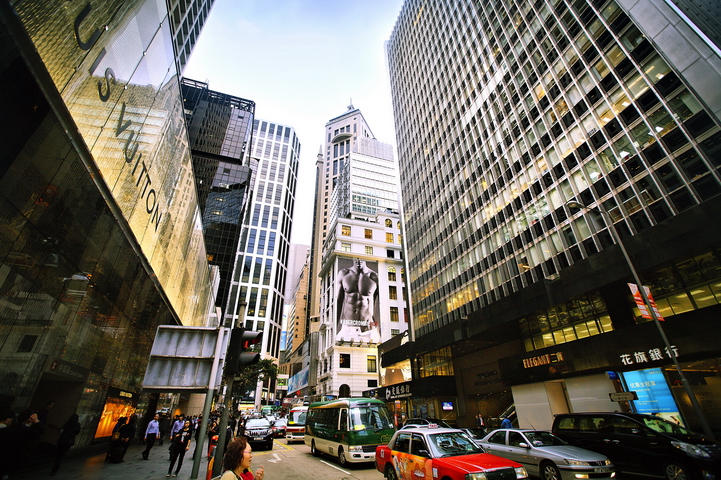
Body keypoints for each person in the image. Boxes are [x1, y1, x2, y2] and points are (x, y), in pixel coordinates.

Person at [336, 259, 380, 341]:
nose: (358, 260)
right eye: (356, 257)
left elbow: (382, 305)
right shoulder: (343, 274)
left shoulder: (374, 277)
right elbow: (338, 302)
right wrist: (333, 329)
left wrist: (380, 330)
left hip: (368, 329)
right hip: (348, 330)